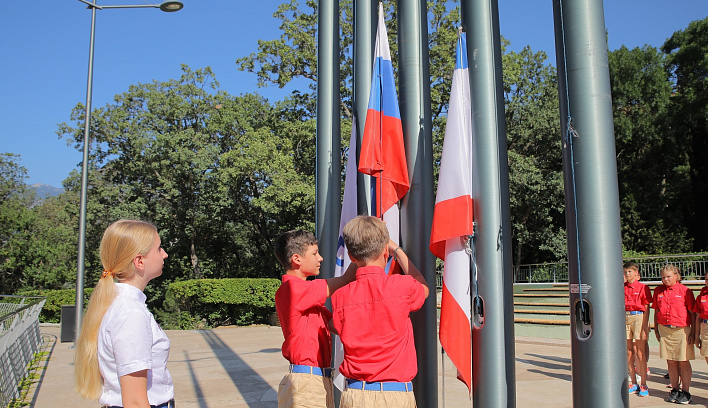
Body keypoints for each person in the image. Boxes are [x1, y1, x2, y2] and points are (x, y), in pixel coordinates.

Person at [331, 215, 429, 408]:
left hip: (355, 395)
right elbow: (423, 287)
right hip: (394, 397)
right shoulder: (402, 287)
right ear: (386, 250)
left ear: (350, 257)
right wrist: (397, 250)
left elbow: (336, 326)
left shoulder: (340, 297)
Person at [74, 219, 173, 408]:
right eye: (159, 248)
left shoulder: (118, 304)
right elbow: (135, 401)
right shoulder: (130, 314)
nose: (165, 254)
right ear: (139, 261)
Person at [273, 229, 356, 408]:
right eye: (314, 253)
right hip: (306, 383)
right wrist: (365, 252)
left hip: (317, 380)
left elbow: (337, 325)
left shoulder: (307, 300)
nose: (320, 258)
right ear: (296, 259)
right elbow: (345, 280)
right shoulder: (292, 290)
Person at [653, 264, 695, 404]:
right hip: (665, 329)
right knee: (670, 361)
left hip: (681, 329)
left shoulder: (685, 291)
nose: (665, 279)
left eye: (668, 276)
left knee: (683, 361)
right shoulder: (658, 291)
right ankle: (675, 389)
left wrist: (693, 332)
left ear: (676, 276)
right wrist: (657, 329)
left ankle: (686, 392)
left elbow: (692, 313)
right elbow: (657, 311)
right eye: (663, 277)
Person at [623, 261, 651, 397]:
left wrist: (645, 326)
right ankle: (633, 382)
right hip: (626, 317)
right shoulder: (622, 287)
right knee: (628, 352)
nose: (627, 274)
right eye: (626, 272)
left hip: (638, 317)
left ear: (636, 273)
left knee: (640, 352)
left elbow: (646, 307)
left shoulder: (642, 287)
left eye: (630, 271)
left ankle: (643, 383)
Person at [693, 271, 708, 375]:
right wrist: (697, 336)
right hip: (706, 326)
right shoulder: (702, 295)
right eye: (707, 279)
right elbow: (698, 317)